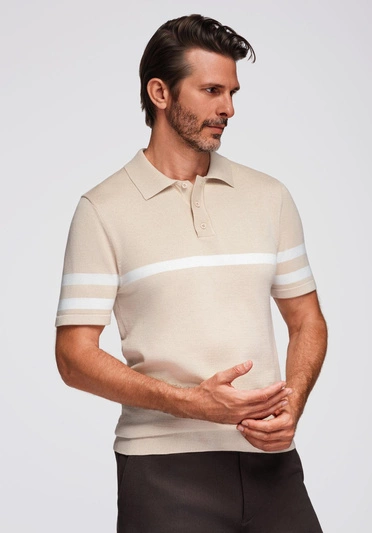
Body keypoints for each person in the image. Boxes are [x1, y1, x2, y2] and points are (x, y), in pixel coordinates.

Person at [55, 14, 327, 533]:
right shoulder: (102, 210)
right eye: (211, 91)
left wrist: (293, 400)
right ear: (160, 93)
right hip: (163, 471)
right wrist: (191, 403)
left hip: (271, 464)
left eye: (232, 92)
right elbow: (73, 357)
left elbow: (307, 320)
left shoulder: (269, 197)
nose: (228, 108)